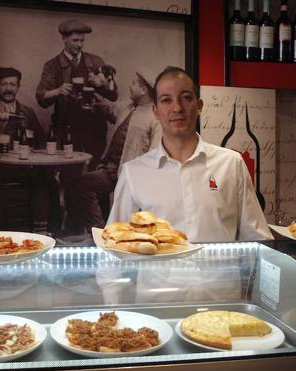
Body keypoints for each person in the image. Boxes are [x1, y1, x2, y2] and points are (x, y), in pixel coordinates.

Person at [107, 67, 272, 242]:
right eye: (166, 100)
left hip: (222, 271)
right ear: (155, 111)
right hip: (159, 272)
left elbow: (257, 239)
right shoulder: (133, 173)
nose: (177, 107)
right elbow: (114, 244)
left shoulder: (231, 164)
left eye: (185, 98)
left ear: (199, 106)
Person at [66, 69, 162, 234]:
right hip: (108, 168)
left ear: (144, 90)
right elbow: (110, 109)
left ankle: (98, 234)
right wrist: (96, 97)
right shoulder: (128, 107)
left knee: (82, 186)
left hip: (127, 176)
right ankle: (99, 232)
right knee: (80, 185)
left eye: (133, 84)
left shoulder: (155, 118)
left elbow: (155, 154)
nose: (129, 86)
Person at [0, 67, 49, 233]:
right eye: (4, 84)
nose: (8, 88)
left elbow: (41, 142)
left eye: (12, 85)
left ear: (18, 87)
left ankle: (41, 233)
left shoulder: (28, 112)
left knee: (46, 182)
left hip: (22, 167)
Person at [36, 19, 118, 170]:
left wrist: (104, 85)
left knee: (95, 173)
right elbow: (41, 97)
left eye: (82, 40)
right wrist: (57, 90)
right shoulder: (52, 65)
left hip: (95, 129)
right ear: (64, 39)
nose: (79, 45)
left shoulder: (96, 61)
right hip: (67, 130)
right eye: (75, 40)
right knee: (69, 173)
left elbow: (114, 95)